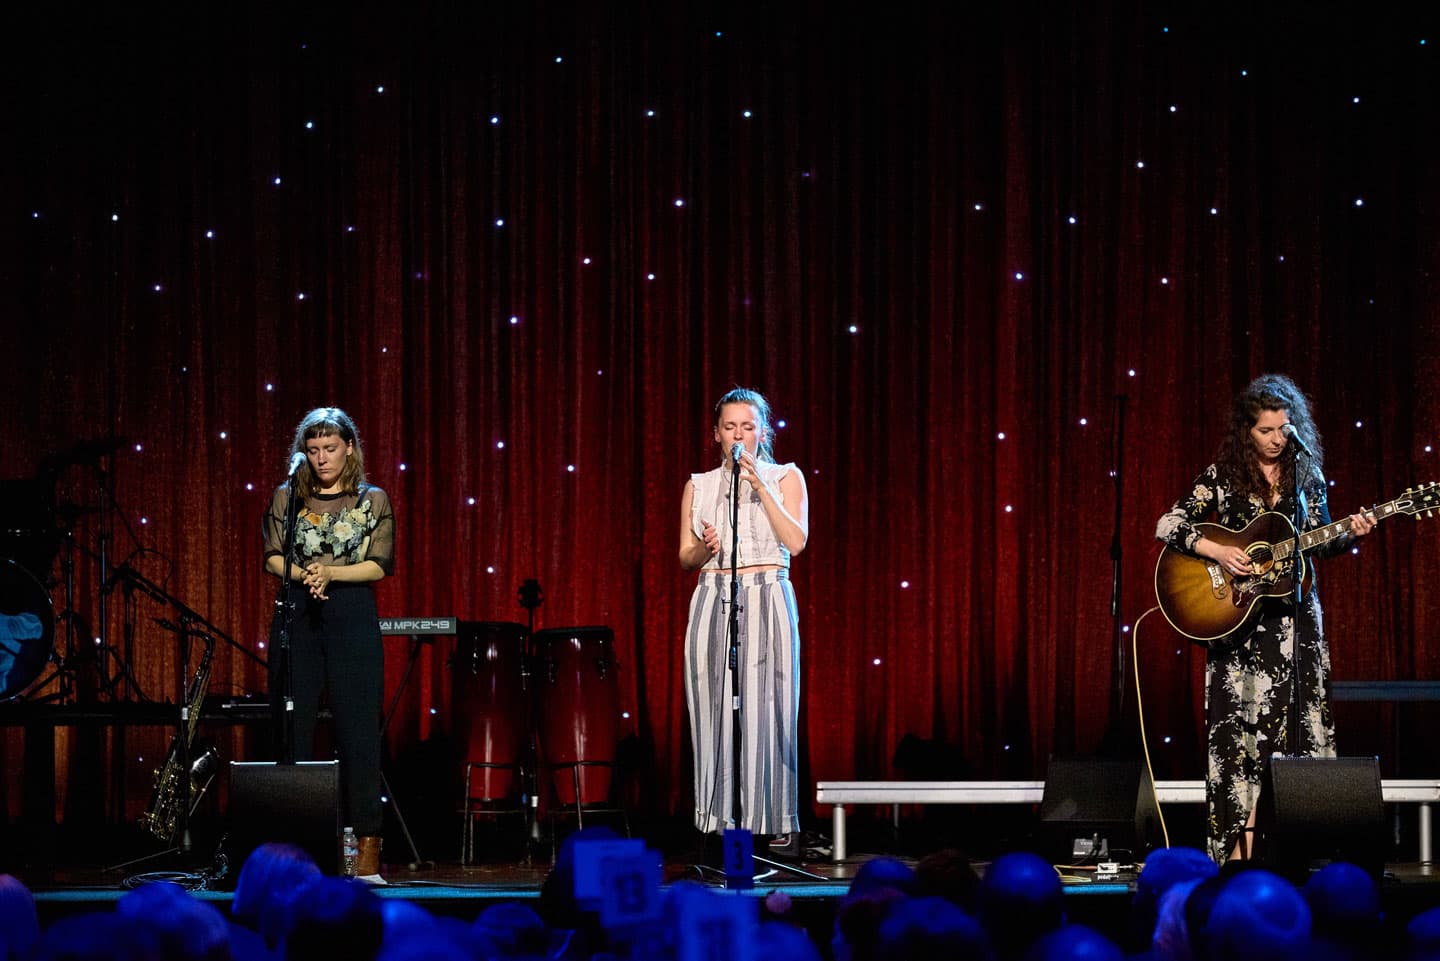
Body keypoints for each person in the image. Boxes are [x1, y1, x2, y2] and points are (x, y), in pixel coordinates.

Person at [1155, 374, 1375, 863]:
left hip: (1295, 624)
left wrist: (1354, 532)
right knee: (1240, 741)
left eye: (1284, 428)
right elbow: (1168, 524)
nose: (1278, 438)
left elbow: (1323, 538)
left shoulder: (1307, 475)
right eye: (1266, 430)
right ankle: (1236, 856)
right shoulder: (1222, 476)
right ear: (1245, 431)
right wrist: (1218, 550)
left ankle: (1294, 852)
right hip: (1236, 628)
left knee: (1295, 736)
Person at [264, 407, 395, 879]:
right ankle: (293, 845)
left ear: (349, 449)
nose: (321, 458)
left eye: (330, 449)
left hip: (352, 616)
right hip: (298, 614)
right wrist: (306, 575)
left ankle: (367, 846)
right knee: (290, 730)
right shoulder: (288, 497)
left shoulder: (372, 499)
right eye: (313, 450)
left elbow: (379, 564)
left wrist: (330, 573)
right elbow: (273, 557)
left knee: (357, 730)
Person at [679, 387, 809, 855]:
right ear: (716, 434)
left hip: (767, 592)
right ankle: (718, 825)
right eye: (730, 426)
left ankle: (771, 825)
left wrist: (759, 485)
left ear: (762, 432)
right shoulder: (700, 484)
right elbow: (685, 557)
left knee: (769, 712)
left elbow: (795, 543)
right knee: (712, 710)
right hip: (714, 594)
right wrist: (704, 546)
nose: (739, 434)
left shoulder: (785, 477)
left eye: (748, 427)